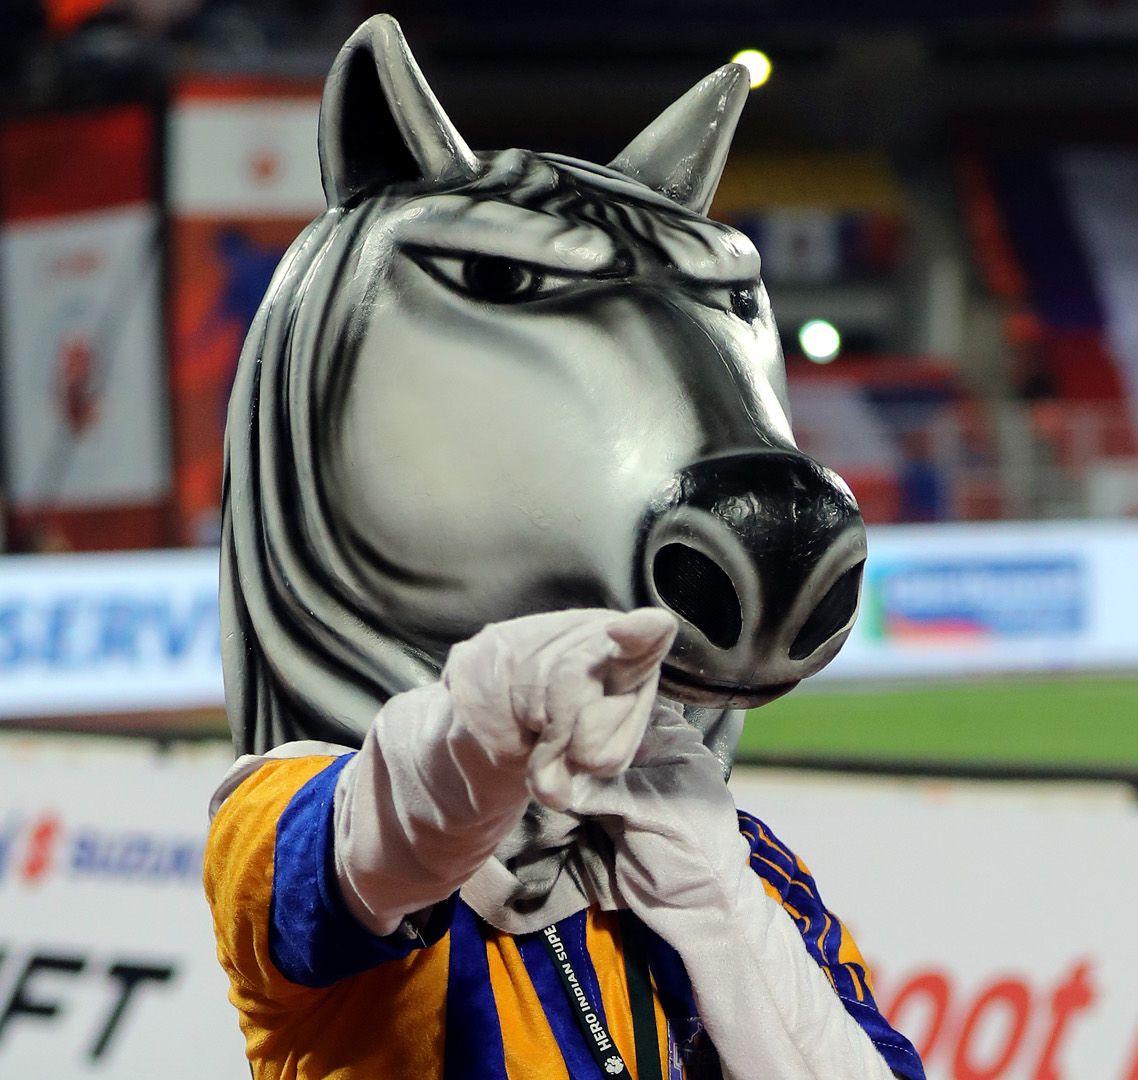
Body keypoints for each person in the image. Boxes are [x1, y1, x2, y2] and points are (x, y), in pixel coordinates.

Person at [201, 15, 924, 1080]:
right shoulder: (274, 820)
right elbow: (376, 843)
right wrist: (482, 730)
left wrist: (720, 903)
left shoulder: (731, 856)